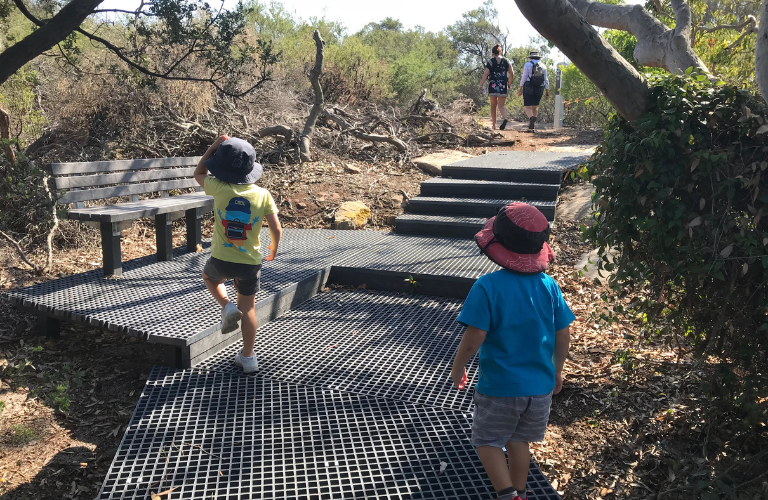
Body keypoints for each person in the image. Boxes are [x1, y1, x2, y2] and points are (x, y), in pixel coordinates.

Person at [450, 202, 574, 500]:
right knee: (519, 440)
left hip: (501, 388)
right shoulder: (549, 286)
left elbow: (474, 336)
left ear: (497, 244)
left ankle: (507, 495)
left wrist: (458, 366)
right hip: (539, 389)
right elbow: (563, 332)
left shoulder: (488, 287)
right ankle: (520, 491)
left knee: (488, 441)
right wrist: (557, 370)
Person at [194, 135, 282, 374]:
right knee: (250, 309)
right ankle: (248, 357)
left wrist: (213, 146)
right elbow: (276, 228)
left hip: (221, 259)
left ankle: (225, 305)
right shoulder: (263, 194)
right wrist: (273, 248)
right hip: (250, 264)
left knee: (209, 277)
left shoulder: (218, 187)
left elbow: (198, 173)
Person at [479, 44, 514, 130]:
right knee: (501, 105)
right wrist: (509, 83)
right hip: (503, 84)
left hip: (493, 84)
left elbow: (486, 73)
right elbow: (512, 73)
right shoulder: (506, 61)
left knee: (493, 105)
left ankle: (494, 125)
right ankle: (505, 118)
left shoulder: (491, 61)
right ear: (500, 52)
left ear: (493, 53)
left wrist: (481, 84)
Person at [517, 51, 550, 131]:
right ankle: (533, 124)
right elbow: (546, 79)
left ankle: (531, 118)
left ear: (530, 57)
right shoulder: (543, 66)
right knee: (535, 107)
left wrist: (520, 88)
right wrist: (547, 91)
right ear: (539, 58)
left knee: (527, 107)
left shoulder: (528, 64)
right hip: (540, 87)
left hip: (528, 85)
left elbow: (524, 77)